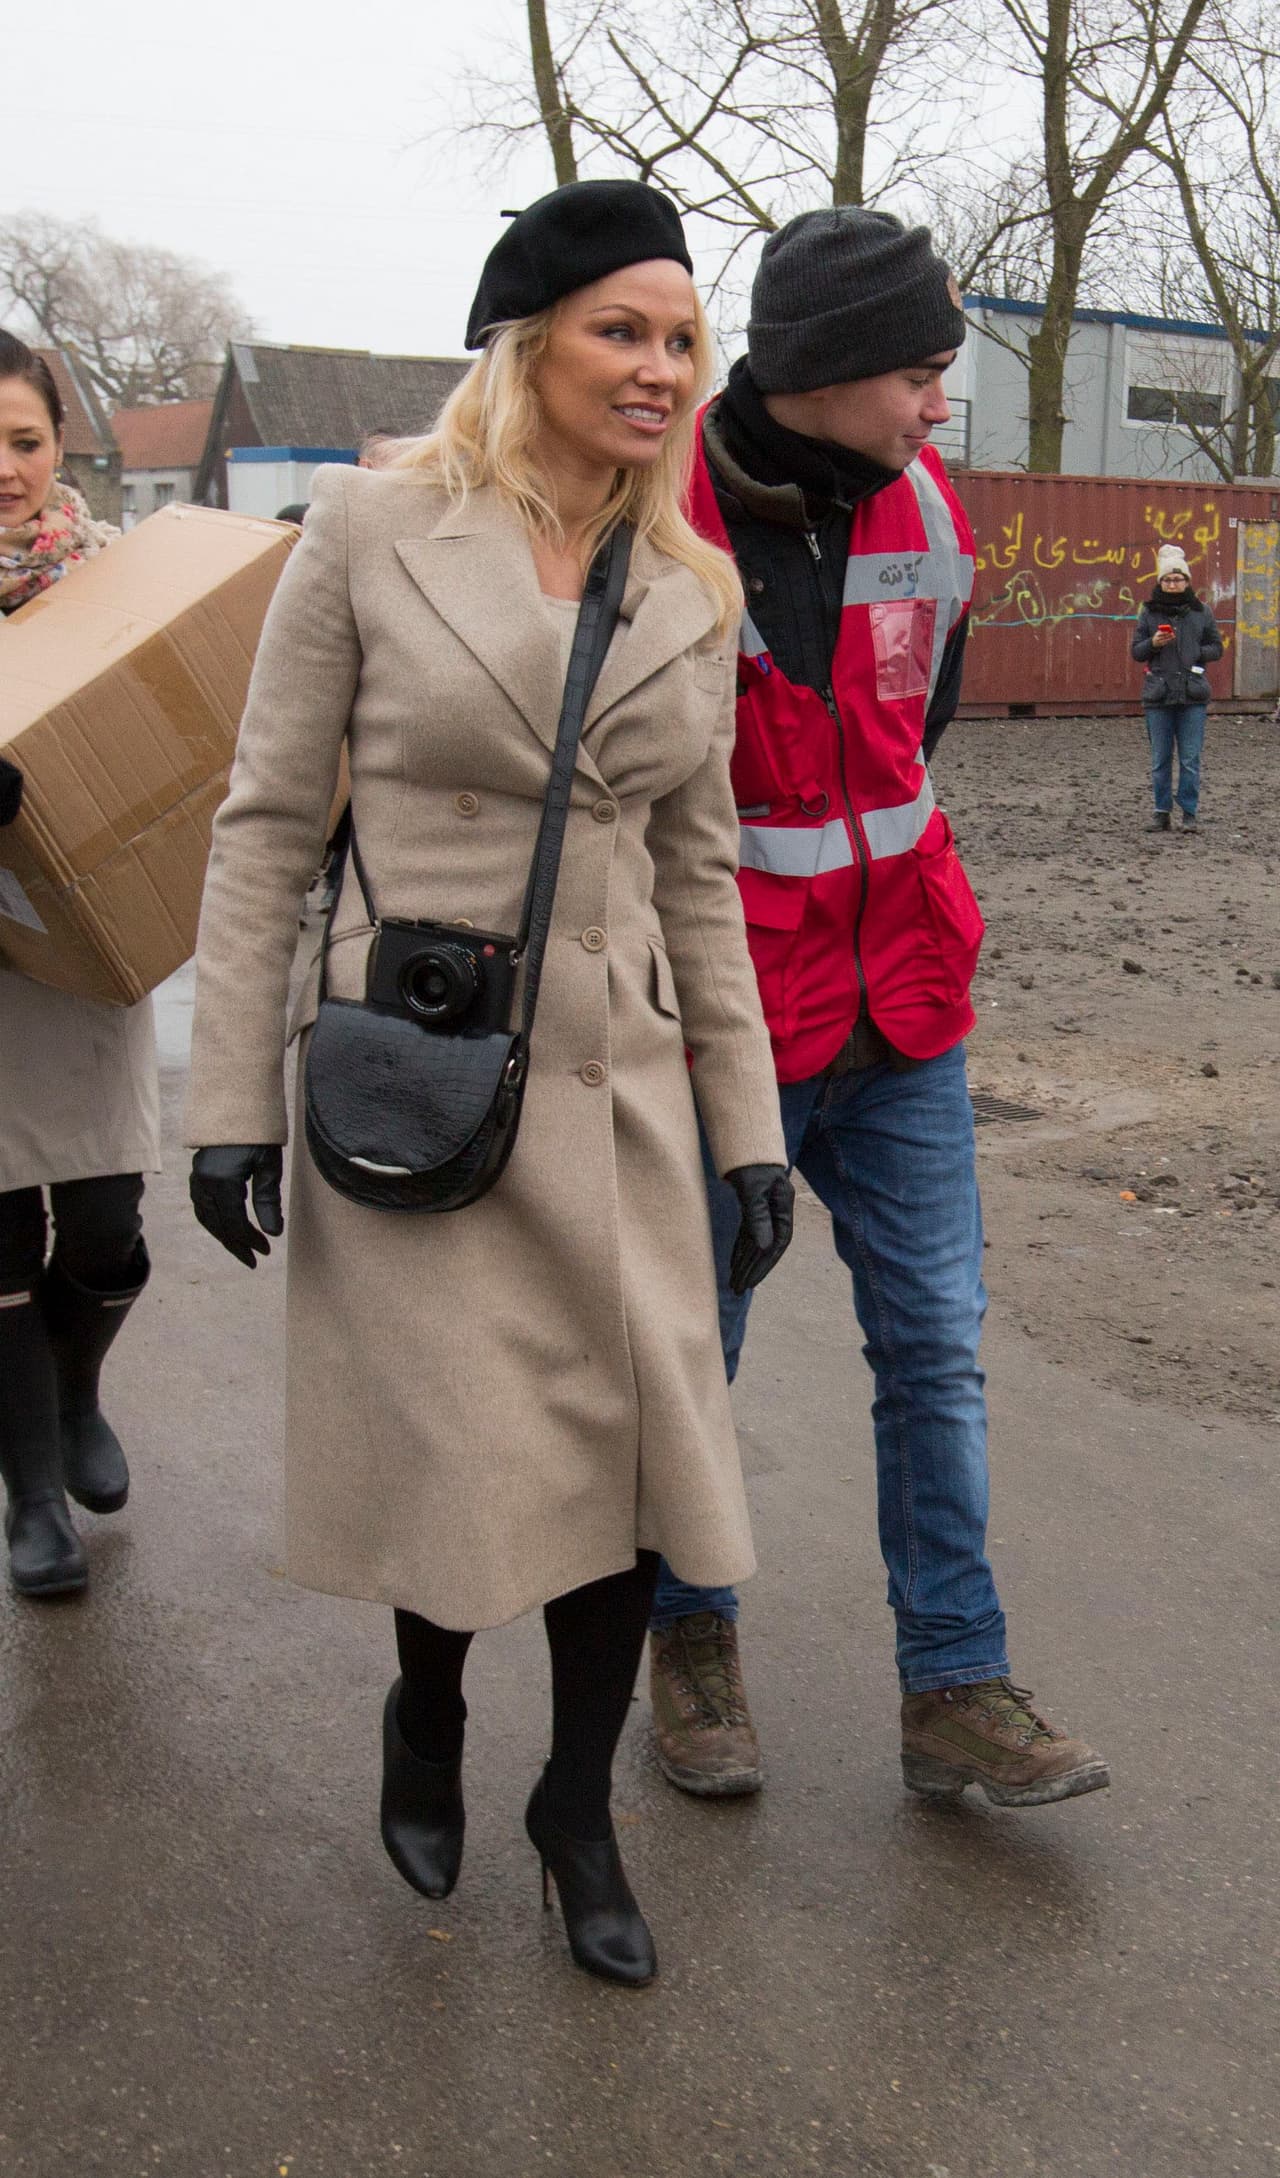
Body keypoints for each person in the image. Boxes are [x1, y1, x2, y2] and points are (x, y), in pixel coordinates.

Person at [184, 180, 792, 1988]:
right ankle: (426, 1707)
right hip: (424, 1081)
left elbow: (702, 874)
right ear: (526, 344)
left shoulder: (694, 582)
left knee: (626, 1476)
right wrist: (228, 1098)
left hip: (614, 1099)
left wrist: (746, 1128)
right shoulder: (369, 530)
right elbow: (269, 826)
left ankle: (575, 1809)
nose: (663, 368)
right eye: (625, 329)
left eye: (683, 338)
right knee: (454, 1468)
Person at [647, 207, 1110, 1811]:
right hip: (721, 1036)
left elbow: (919, 746)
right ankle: (688, 1645)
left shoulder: (929, 511)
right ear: (825, 365)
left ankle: (956, 1686)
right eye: (918, 370)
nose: (937, 402)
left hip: (905, 1010)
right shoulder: (649, 520)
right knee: (693, 1353)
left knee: (933, 1353)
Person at [0, 331, 157, 1599]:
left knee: (108, 1228)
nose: (6, 468)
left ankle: (75, 1388)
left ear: (61, 444)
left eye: (26, 441)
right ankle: (32, 1494)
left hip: (89, 953)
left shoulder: (115, 579)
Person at [1132, 543, 1223, 834]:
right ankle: (1161, 812)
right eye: (1168, 580)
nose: (1173, 584)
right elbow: (1136, 651)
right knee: (1160, 760)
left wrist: (1198, 652)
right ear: (1160, 582)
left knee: (1189, 758)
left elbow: (1217, 648)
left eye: (1178, 579)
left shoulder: (1201, 612)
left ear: (1187, 581)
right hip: (1158, 696)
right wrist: (1153, 644)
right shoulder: (1149, 613)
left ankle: (1189, 813)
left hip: (1192, 695)